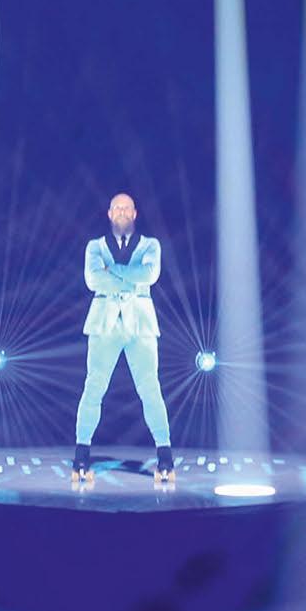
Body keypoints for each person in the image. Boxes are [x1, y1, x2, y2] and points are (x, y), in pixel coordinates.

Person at [74, 192, 174, 486]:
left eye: (126, 208)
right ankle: (81, 455)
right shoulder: (95, 246)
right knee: (94, 386)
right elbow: (93, 279)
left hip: (140, 324)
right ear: (109, 213)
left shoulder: (150, 245)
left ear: (134, 213)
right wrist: (131, 278)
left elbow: (150, 275)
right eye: (117, 207)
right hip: (104, 323)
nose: (121, 211)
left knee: (150, 388)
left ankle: (165, 456)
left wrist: (113, 271)